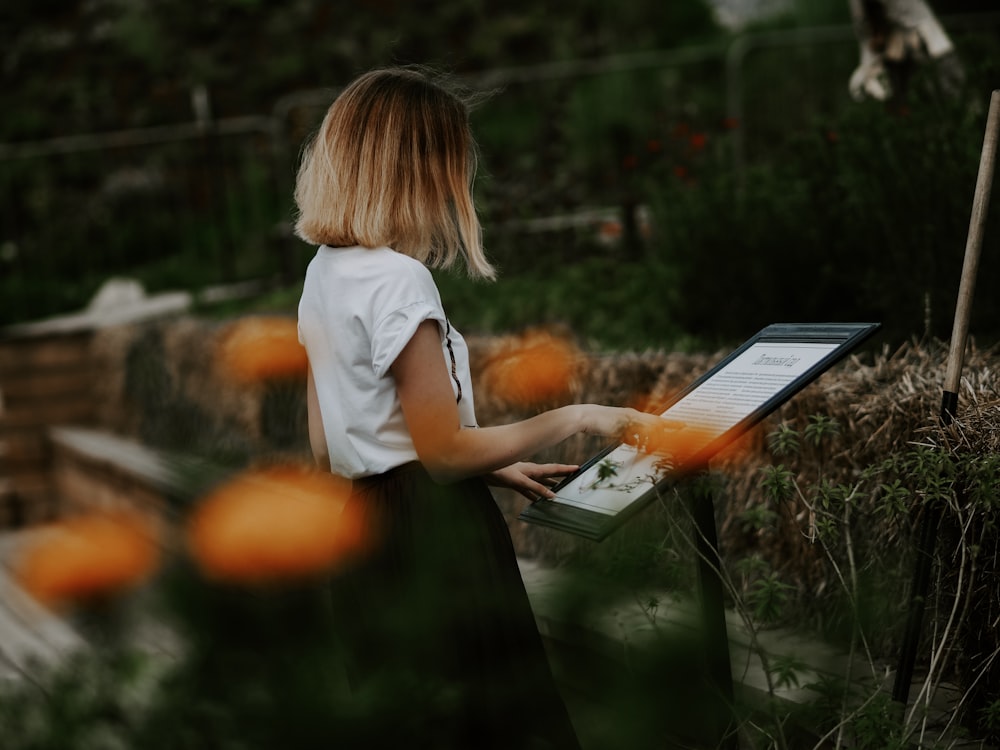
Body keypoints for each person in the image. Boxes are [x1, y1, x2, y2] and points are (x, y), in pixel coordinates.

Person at [295, 66, 675, 749]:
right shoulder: (399, 281)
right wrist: (580, 415)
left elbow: (329, 444)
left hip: (365, 537)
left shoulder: (324, 269)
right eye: (450, 162)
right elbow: (440, 455)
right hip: (438, 540)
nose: (456, 183)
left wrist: (488, 465)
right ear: (416, 166)